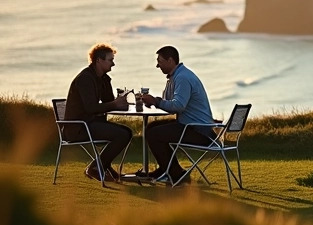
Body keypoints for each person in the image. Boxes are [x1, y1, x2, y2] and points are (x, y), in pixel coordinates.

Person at [141, 45, 215, 184]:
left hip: (199, 131)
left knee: (154, 133)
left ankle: (174, 173)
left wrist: (156, 101)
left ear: (170, 60)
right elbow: (170, 101)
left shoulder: (182, 78)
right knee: (151, 128)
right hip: (192, 126)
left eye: (160, 61)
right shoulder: (176, 76)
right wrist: (154, 101)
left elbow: (178, 106)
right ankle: (167, 169)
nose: (157, 65)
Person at [65, 43, 132, 182]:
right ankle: (96, 168)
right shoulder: (85, 78)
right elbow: (91, 108)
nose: (113, 64)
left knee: (127, 132)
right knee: (122, 134)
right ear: (99, 60)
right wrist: (115, 104)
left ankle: (102, 165)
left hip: (92, 123)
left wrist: (121, 102)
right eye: (110, 60)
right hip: (79, 127)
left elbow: (108, 101)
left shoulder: (103, 78)